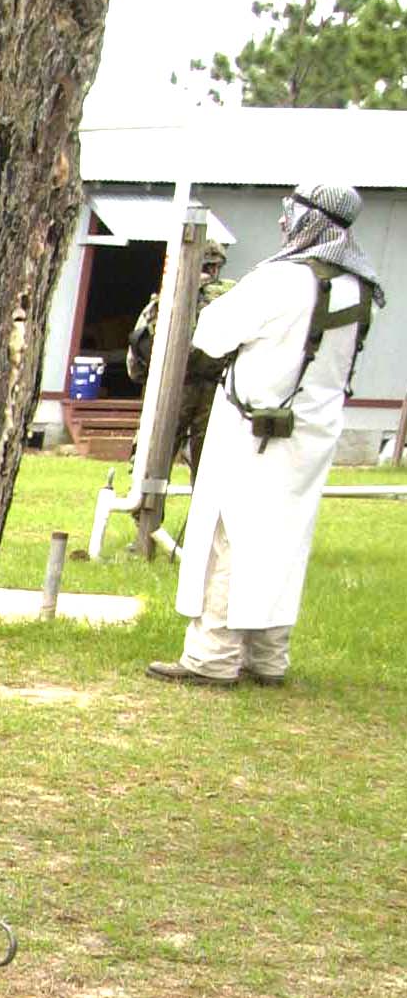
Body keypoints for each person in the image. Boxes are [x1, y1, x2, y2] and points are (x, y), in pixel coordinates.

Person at [149, 184, 383, 689]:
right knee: (285, 541)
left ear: (308, 220)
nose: (282, 223)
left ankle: (213, 657)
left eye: (289, 213)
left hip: (254, 431)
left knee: (231, 537)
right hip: (313, 437)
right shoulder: (361, 288)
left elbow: (211, 334)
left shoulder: (281, 280)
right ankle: (268, 656)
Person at [123, 240, 233, 476]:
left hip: (171, 388)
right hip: (217, 390)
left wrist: (145, 378)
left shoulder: (167, 296)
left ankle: (146, 509)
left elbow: (138, 350)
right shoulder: (232, 298)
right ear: (216, 267)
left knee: (153, 458)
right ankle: (202, 513)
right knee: (210, 467)